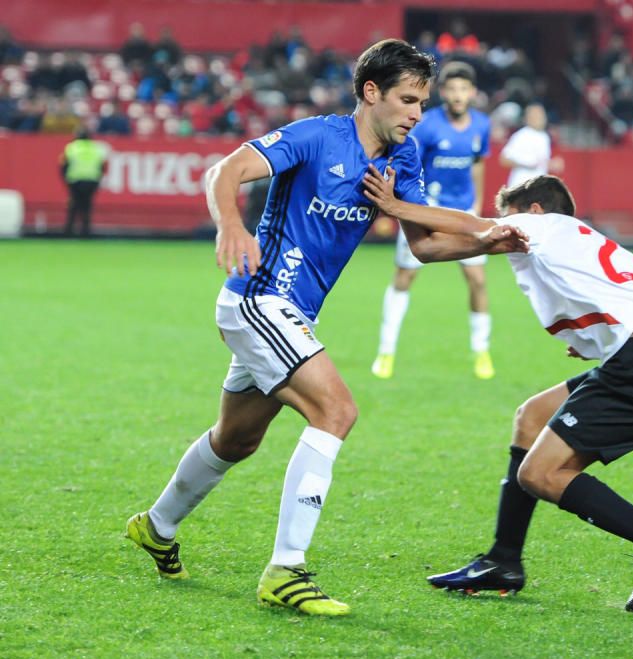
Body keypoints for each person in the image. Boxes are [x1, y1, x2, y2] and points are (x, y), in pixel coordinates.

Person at [123, 39, 529, 618]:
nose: (418, 114)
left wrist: (487, 243)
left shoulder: (402, 158)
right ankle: (286, 569)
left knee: (236, 439)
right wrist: (231, 226)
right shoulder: (316, 136)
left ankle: (155, 526)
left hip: (290, 314)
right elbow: (225, 170)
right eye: (408, 100)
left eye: (423, 102)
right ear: (371, 93)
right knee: (336, 411)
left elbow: (428, 242)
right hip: (259, 300)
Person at [362, 171, 633, 613]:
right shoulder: (580, 240)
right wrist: (600, 336)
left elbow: (474, 226)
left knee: (540, 475)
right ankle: (503, 562)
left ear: (535, 210)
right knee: (532, 416)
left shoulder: (544, 225)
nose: (504, 229)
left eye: (509, 217)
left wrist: (395, 207)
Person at [372, 62, 495, 381]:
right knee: (404, 278)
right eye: (452, 89)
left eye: (463, 89)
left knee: (478, 281)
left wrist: (478, 203)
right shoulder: (426, 126)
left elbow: (478, 164)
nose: (457, 95)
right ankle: (386, 352)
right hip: (427, 210)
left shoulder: (481, 125)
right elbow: (411, 165)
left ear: (473, 93)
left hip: (464, 212)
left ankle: (481, 351)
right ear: (443, 93)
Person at [500, 102, 563, 187]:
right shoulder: (522, 135)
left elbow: (540, 162)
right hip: (520, 187)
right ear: (528, 118)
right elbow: (504, 159)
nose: (540, 118)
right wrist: (527, 162)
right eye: (536, 115)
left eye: (541, 115)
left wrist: (552, 164)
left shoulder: (544, 137)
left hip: (537, 188)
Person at [60, 127, 106, 237]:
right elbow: (102, 166)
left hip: (75, 180)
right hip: (91, 180)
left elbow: (64, 164)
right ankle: (86, 231)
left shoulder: (71, 147)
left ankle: (68, 231)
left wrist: (66, 179)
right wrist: (97, 180)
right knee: (87, 206)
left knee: (73, 205)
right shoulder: (97, 148)